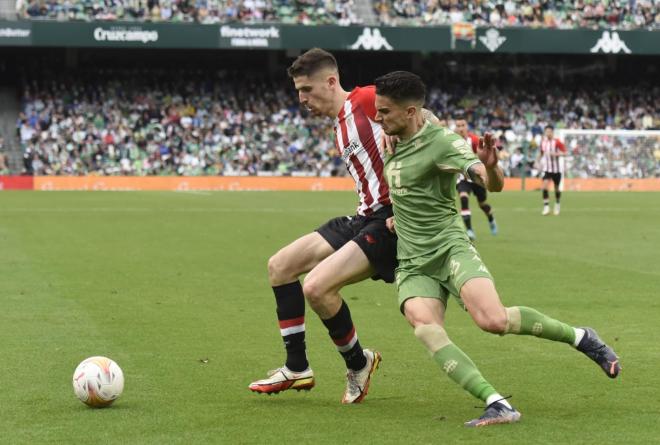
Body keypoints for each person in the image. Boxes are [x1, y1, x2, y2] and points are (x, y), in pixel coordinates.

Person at [374, 71, 621, 427]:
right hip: (412, 261)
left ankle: (582, 337)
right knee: (425, 326)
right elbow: (406, 186)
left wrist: (491, 168)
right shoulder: (392, 138)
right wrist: (399, 216)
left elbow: (489, 181)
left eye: (384, 112)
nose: (378, 118)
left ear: (410, 111)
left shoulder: (444, 142)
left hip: (449, 248)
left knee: (493, 320)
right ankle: (496, 402)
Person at [249, 48, 396, 404]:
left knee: (316, 287)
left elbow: (421, 114)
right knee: (280, 266)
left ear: (331, 82)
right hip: (363, 216)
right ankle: (297, 367)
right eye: (298, 91)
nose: (302, 99)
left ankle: (358, 363)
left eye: (307, 90)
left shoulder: (365, 100)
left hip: (392, 221)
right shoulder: (340, 123)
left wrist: (417, 133)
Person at [454, 118, 498, 240]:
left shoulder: (474, 140)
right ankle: (469, 230)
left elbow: (483, 156)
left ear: (467, 126)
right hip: (463, 179)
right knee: (463, 198)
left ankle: (491, 219)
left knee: (482, 204)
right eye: (458, 125)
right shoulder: (452, 141)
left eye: (462, 125)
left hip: (477, 179)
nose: (460, 128)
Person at [537, 125, 566, 215]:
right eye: (546, 132)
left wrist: (556, 154)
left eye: (549, 131)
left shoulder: (557, 142)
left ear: (552, 132)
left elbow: (565, 153)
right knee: (544, 186)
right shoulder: (543, 142)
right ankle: (546, 207)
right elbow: (541, 153)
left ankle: (557, 203)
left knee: (556, 189)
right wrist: (536, 161)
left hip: (557, 170)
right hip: (547, 169)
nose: (548, 133)